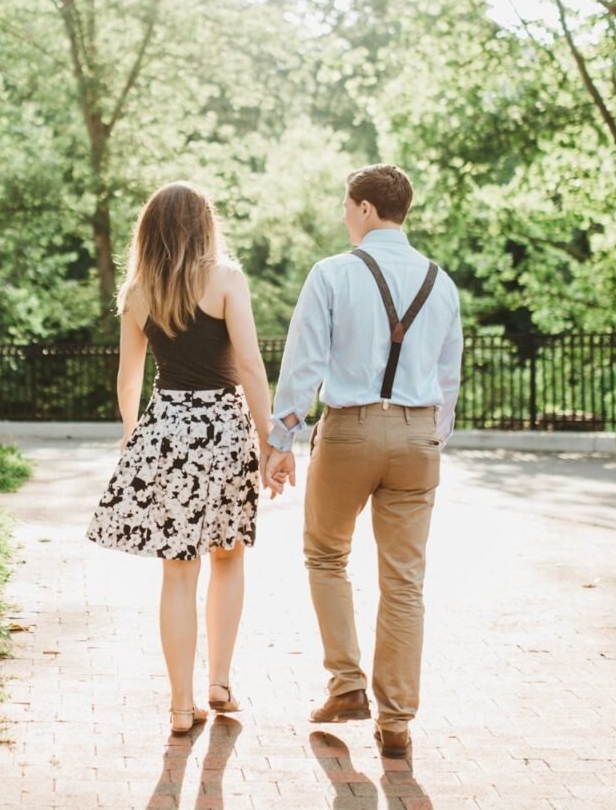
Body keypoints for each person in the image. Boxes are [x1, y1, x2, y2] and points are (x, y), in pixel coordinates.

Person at [263, 163, 462, 760]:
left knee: (326, 555)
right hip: (419, 436)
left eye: (348, 206)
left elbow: (303, 363)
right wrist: (430, 438)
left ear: (368, 209)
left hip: (348, 432)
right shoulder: (442, 282)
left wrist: (282, 439)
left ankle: (347, 685)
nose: (344, 215)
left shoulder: (332, 274)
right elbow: (448, 378)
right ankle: (397, 721)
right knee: (405, 580)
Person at [86, 181, 277, 736]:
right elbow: (249, 366)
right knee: (228, 556)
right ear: (203, 224)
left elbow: (129, 376)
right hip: (222, 426)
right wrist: (269, 439)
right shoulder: (225, 279)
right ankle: (219, 682)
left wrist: (131, 433)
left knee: (177, 569)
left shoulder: (137, 292)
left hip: (167, 426)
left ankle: (179, 704)